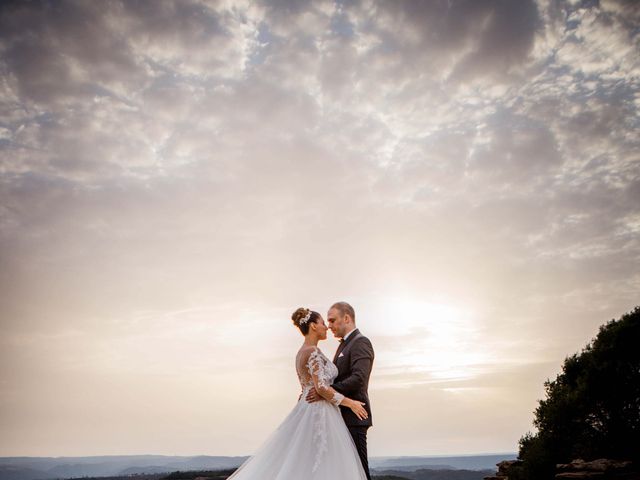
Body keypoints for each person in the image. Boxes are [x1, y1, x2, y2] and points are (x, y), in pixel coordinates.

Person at [226, 307, 370, 479]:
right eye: (324, 323)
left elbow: (311, 386)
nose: (327, 327)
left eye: (330, 322)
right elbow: (321, 388)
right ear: (314, 326)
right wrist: (350, 402)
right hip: (320, 412)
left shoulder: (302, 352)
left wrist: (318, 391)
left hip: (310, 409)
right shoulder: (313, 352)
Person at [306, 301, 375, 480]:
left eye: (332, 320)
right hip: (339, 416)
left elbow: (359, 378)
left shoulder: (361, 342)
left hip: (355, 416)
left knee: (360, 472)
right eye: (327, 321)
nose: (329, 326)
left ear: (346, 318)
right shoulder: (344, 345)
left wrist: (326, 391)